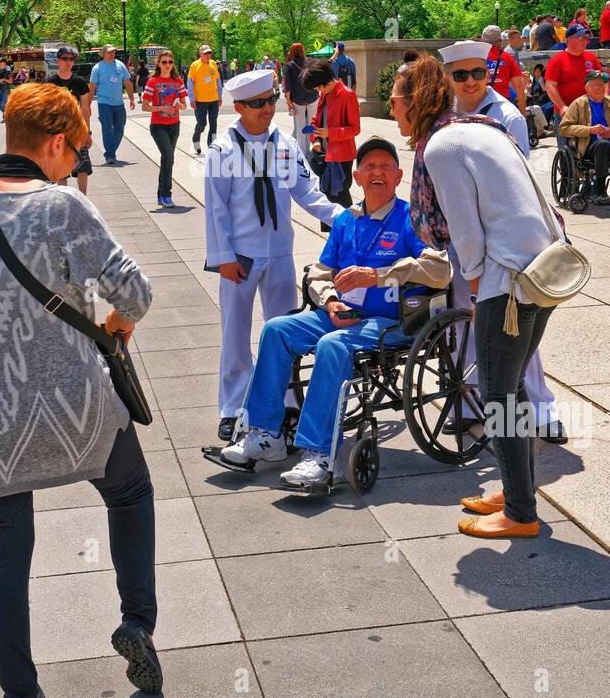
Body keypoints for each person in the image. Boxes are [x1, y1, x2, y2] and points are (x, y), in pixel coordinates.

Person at [0, 83, 160, 698]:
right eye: (75, 152)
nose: (75, 166)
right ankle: (135, 622)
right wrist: (115, 326)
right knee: (130, 492)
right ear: (56, 143)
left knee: (3, 546)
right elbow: (135, 290)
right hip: (74, 405)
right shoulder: (62, 206)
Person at [219, 137, 451, 483]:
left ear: (399, 175)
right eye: (369, 167)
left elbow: (440, 270)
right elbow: (321, 271)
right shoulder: (346, 221)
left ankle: (319, 454)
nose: (377, 173)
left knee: (334, 345)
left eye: (385, 166)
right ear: (356, 176)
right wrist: (329, 300)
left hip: (392, 320)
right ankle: (266, 434)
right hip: (343, 315)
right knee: (277, 329)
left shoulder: (410, 219)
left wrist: (379, 276)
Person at [393, 55, 559, 539]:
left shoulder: (442, 146)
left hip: (504, 284)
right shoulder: (478, 126)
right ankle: (515, 492)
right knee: (514, 389)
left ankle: (521, 515)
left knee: (497, 395)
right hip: (538, 271)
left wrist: (471, 281)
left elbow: (467, 237)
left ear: (415, 100)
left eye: (398, 95)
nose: (393, 104)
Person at [203, 68, 341, 441]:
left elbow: (307, 192)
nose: (267, 108)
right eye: (257, 103)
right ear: (238, 106)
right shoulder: (223, 149)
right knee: (235, 334)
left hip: (280, 253)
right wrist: (223, 257)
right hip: (241, 257)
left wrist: (345, 219)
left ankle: (288, 405)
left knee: (285, 333)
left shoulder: (284, 144)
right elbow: (216, 208)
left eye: (270, 99)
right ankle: (232, 408)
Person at [440, 41, 563, 439]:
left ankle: (540, 409)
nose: (471, 82)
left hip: (505, 247)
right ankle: (469, 402)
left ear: (489, 73)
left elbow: (520, 186)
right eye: (460, 75)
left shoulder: (506, 115)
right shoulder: (444, 117)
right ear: (449, 78)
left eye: (478, 73)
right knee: (464, 325)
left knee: (516, 333)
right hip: (462, 240)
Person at [559, 70, 610, 206]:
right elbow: (564, 128)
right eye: (595, 85)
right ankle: (600, 192)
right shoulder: (578, 104)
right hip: (589, 148)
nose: (600, 88)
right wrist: (589, 130)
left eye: (602, 85)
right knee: (603, 144)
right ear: (587, 87)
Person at [302, 57, 361, 229]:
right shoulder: (324, 95)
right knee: (326, 200)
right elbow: (316, 121)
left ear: (328, 79)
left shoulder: (347, 95)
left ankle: (352, 233)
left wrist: (331, 133)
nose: (319, 90)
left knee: (340, 197)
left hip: (341, 156)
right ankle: (335, 241)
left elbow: (354, 128)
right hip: (325, 155)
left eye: (320, 86)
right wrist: (316, 139)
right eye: (316, 88)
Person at [142, 50, 188, 207]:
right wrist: (161, 108)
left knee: (167, 160)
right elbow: (145, 106)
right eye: (164, 62)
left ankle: (161, 195)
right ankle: (167, 194)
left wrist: (179, 106)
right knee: (169, 157)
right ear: (159, 64)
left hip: (174, 125)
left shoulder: (178, 82)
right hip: (158, 126)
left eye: (170, 62)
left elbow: (184, 104)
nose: (167, 65)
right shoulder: (152, 82)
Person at [544, 23, 604, 144]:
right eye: (580, 37)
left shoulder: (591, 58)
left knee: (595, 148)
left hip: (591, 111)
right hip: (567, 113)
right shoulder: (557, 60)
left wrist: (606, 99)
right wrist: (562, 107)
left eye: (585, 37)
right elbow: (550, 86)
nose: (584, 41)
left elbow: (604, 81)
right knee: (567, 151)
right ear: (569, 40)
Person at [49, 45, 93, 195]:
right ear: (58, 61)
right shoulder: (51, 82)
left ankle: (83, 199)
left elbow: (85, 109)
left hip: (77, 131)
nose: (68, 62)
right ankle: (66, 200)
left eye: (71, 59)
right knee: (61, 170)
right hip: (58, 132)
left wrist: (88, 132)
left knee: (83, 167)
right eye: (65, 59)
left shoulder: (80, 82)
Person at [89, 44, 135, 166]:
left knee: (120, 128)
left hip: (119, 103)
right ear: (104, 53)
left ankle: (111, 150)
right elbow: (92, 87)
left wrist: (132, 99)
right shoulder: (97, 68)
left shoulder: (120, 66)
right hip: (104, 103)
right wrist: (87, 106)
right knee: (107, 128)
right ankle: (109, 154)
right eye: (109, 52)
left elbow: (128, 83)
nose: (112, 53)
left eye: (113, 51)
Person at [283, 42, 319, 156]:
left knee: (300, 127)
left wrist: (289, 102)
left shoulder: (289, 66)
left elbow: (288, 87)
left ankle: (302, 153)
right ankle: (314, 150)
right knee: (312, 126)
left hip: (298, 100)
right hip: (312, 97)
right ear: (302, 51)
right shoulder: (310, 62)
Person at [480, 25, 526, 115]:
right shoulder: (507, 57)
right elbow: (519, 87)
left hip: (481, 107)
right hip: (503, 108)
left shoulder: (477, 58)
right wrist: (522, 113)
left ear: (482, 40)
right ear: (499, 41)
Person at [187, 45, 223, 155]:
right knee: (202, 123)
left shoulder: (213, 64)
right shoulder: (195, 65)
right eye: (205, 53)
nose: (208, 55)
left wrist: (220, 97)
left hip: (213, 100)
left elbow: (218, 81)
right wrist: (192, 99)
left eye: (209, 53)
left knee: (213, 124)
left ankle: (212, 145)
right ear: (200, 54)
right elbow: (190, 83)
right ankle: (196, 139)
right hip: (200, 101)